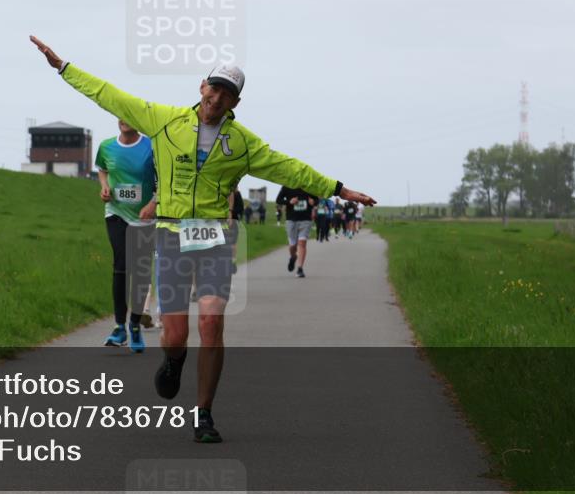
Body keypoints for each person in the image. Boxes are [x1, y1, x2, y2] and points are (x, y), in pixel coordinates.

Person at [30, 36, 376, 443]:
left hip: (214, 239)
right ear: (202, 87)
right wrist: (63, 67)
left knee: (211, 323)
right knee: (176, 337)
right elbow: (110, 96)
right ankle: (174, 361)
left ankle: (204, 413)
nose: (217, 97)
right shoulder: (163, 120)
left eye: (227, 93)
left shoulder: (243, 144)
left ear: (235, 103)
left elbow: (289, 169)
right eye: (214, 87)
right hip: (172, 237)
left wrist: (337, 188)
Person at [96, 120, 157, 353]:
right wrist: (104, 187)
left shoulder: (152, 146)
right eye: (119, 116)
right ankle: (119, 326)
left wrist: (153, 203)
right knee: (121, 264)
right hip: (116, 213)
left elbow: (165, 178)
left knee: (140, 270)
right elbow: (102, 169)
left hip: (144, 217)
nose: (123, 120)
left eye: (128, 115)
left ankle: (135, 325)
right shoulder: (107, 146)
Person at [276, 185, 317, 278]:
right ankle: (293, 257)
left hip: (306, 220)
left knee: (302, 243)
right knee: (292, 245)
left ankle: (300, 269)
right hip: (291, 220)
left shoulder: (309, 186)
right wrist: (289, 202)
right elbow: (278, 200)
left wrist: (313, 202)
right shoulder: (287, 186)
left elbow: (316, 199)